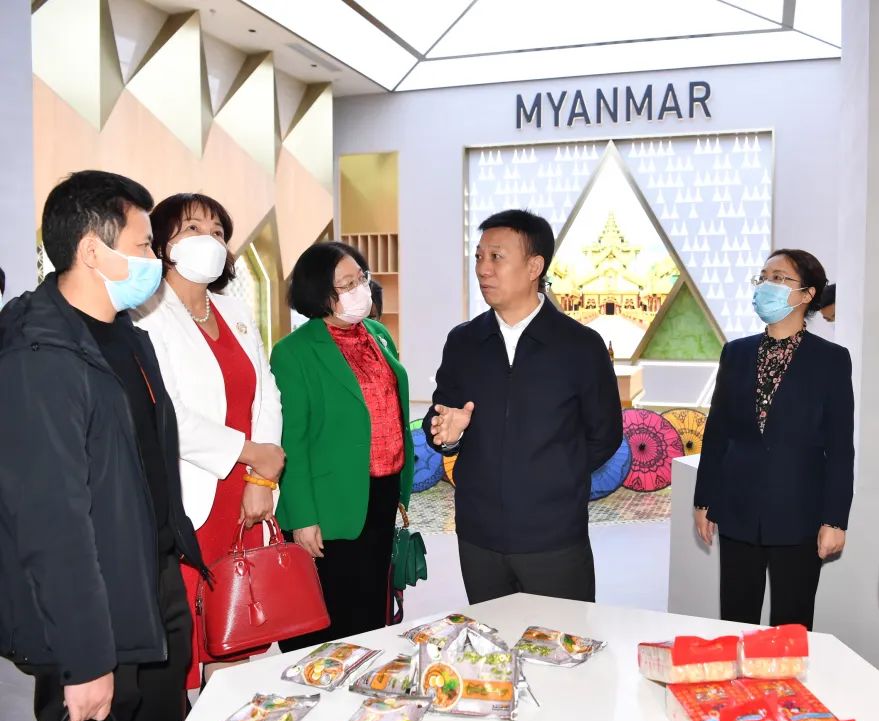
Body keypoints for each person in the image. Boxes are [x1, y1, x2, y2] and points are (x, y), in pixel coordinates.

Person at [0, 171, 207, 721]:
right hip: (95, 604)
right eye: (143, 245)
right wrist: (86, 658)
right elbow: (51, 524)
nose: (154, 259)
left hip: (153, 576)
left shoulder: (127, 337)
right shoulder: (37, 356)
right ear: (92, 250)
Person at [424, 209, 623, 605]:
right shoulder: (464, 342)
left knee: (561, 638)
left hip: (554, 537)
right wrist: (448, 434)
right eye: (479, 257)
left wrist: (555, 477)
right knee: (492, 639)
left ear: (535, 267)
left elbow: (605, 434)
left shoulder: (580, 346)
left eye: (497, 257)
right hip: (479, 535)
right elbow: (440, 419)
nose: (483, 269)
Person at [132, 193, 283, 688]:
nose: (210, 239)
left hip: (246, 491)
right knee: (183, 644)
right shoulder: (145, 314)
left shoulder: (234, 309)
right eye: (193, 228)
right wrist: (250, 453)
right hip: (190, 498)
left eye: (218, 232)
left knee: (234, 627)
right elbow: (167, 412)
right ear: (162, 244)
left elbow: (266, 395)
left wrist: (260, 475)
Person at [693, 249, 854, 630]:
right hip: (738, 508)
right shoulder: (736, 353)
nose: (767, 285)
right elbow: (717, 432)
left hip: (799, 512)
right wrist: (703, 499)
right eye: (763, 277)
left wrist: (835, 519)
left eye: (779, 278)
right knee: (736, 620)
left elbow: (839, 447)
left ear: (807, 294)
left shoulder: (831, 359)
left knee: (791, 626)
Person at [271, 241, 413, 651]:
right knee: (327, 614)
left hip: (380, 491)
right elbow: (292, 440)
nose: (359, 290)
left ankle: (366, 680)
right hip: (327, 501)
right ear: (320, 294)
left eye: (361, 279)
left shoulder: (377, 335)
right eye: (346, 285)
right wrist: (302, 517)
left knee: (371, 607)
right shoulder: (294, 352)